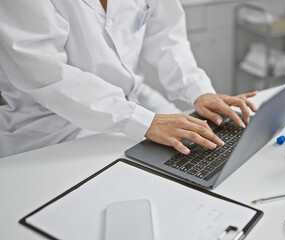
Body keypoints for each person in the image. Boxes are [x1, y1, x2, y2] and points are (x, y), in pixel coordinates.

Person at [0, 0, 257, 158]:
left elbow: (167, 38)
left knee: (207, 150)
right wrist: (141, 121)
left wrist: (199, 91)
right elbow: (49, 74)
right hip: (50, 129)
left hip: (132, 102)